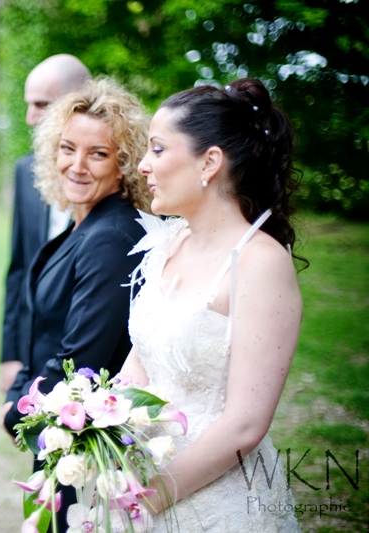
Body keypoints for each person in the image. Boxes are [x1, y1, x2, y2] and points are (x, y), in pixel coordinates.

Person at [121, 78, 303, 531]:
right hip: (136, 480)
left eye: (158, 150)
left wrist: (151, 497)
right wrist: (94, 429)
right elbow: (142, 358)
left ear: (210, 162)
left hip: (216, 501)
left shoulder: (260, 263)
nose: (143, 165)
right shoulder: (169, 241)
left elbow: (245, 423)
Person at [2, 77, 152, 530]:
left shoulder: (111, 236)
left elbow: (81, 361)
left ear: (124, 163)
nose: (78, 165)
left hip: (85, 442)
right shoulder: (86, 222)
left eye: (98, 154)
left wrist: (16, 412)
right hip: (60, 435)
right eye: (68, 148)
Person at [0, 54, 90, 392]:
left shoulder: (111, 176)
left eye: (42, 105)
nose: (30, 118)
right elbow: (19, 269)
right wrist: (11, 355)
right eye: (29, 104)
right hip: (34, 352)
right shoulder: (25, 171)